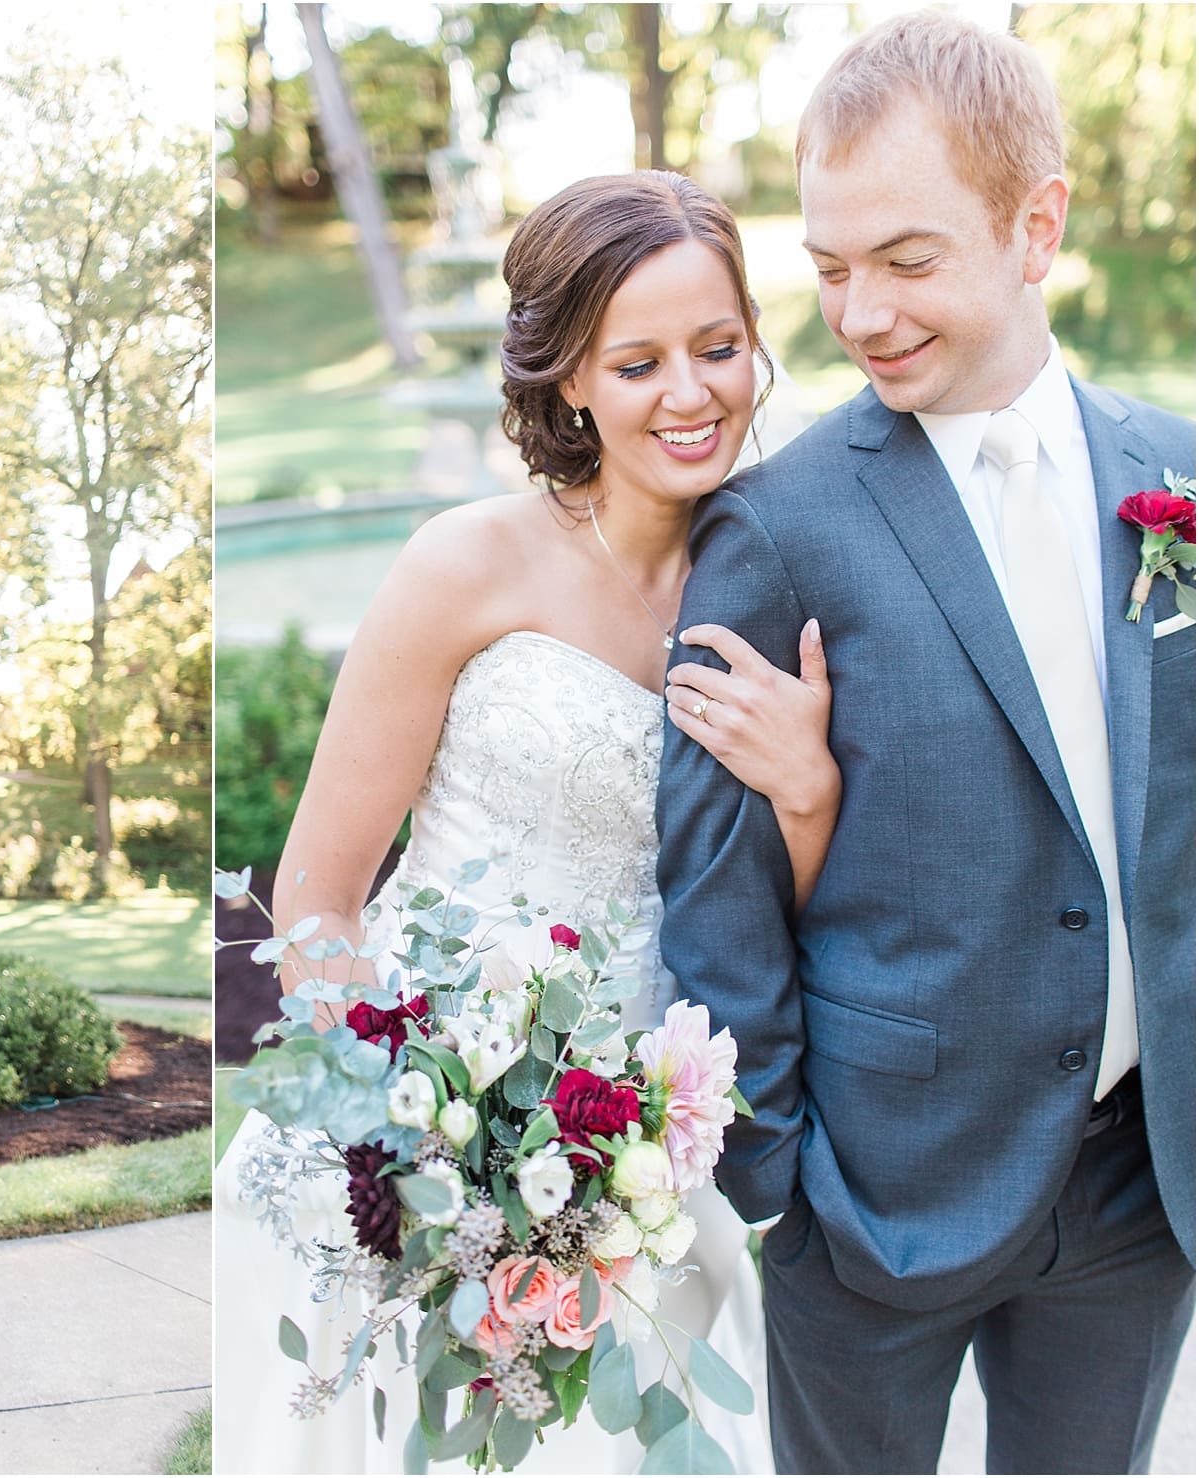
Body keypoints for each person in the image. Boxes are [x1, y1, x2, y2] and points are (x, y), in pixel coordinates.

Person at [214, 170, 838, 1473]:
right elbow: (316, 895)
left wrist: (806, 790)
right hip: (415, 1134)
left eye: (716, 348)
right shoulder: (463, 563)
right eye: (637, 361)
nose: (689, 393)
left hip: (639, 1164)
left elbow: (778, 914)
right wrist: (406, 1136)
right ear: (566, 380)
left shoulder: (785, 574)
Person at [656, 12, 1194, 1474]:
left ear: (1035, 227)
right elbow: (711, 893)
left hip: (1143, 1193)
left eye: (904, 260)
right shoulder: (776, 528)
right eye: (828, 268)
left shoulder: (1177, 479)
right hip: (873, 1202)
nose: (860, 312)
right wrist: (777, 1182)